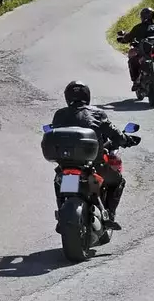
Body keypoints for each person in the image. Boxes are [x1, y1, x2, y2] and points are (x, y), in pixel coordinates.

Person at [49, 81, 141, 228]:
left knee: (58, 180)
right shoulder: (97, 113)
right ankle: (109, 215)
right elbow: (115, 133)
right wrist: (126, 140)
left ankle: (61, 213)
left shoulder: (59, 115)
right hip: (94, 165)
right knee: (117, 182)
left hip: (66, 166)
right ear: (87, 96)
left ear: (67, 96)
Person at [117, 7, 154, 90]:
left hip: (145, 51)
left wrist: (123, 39)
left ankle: (136, 81)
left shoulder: (139, 27)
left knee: (132, 58)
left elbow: (128, 37)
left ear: (142, 17)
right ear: (153, 16)